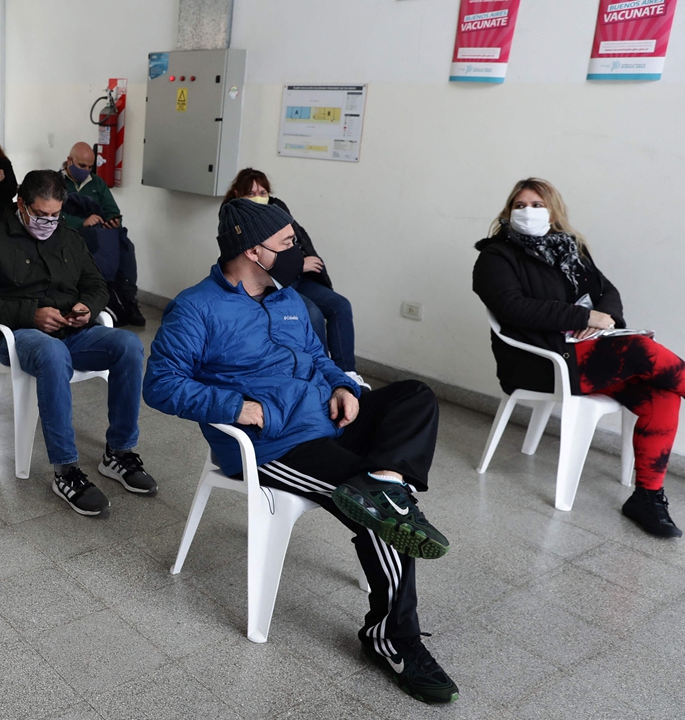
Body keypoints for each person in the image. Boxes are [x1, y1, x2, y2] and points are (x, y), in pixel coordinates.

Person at [144, 198, 457, 704]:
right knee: (374, 508)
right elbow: (159, 385)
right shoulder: (196, 307)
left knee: (414, 397)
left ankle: (390, 486)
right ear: (253, 250)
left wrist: (343, 387)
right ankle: (393, 638)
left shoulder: (287, 297)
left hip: (325, 417)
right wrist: (236, 407)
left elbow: (318, 357)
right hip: (272, 445)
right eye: (289, 244)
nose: (300, 252)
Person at [473, 178, 684, 538]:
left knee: (661, 394)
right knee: (642, 352)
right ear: (507, 212)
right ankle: (647, 497)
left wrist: (606, 318)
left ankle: (647, 497)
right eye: (519, 205)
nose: (528, 212)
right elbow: (512, 308)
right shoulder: (495, 257)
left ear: (554, 211)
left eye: (538, 205)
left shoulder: (571, 248)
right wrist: (583, 317)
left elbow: (608, 291)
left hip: (593, 353)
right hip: (544, 362)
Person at [0, 169, 157, 517]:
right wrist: (30, 314)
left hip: (74, 330)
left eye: (55, 215)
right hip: (20, 335)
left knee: (128, 346)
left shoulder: (69, 237)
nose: (49, 222)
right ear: (22, 205)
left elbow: (96, 284)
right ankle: (66, 470)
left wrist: (88, 308)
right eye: (41, 215)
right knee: (52, 353)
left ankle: (119, 452)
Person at [223, 168, 365, 385]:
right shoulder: (235, 223)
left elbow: (297, 244)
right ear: (237, 194)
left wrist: (302, 263)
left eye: (262, 192)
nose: (258, 197)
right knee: (313, 314)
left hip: (297, 278)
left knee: (340, 306)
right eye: (251, 193)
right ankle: (322, 376)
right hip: (274, 282)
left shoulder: (277, 211)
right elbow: (259, 267)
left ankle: (347, 374)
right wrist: (300, 264)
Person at [61, 142, 145, 326]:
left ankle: (127, 299)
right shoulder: (56, 182)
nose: (86, 170)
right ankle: (101, 293)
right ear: (69, 161)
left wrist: (113, 220)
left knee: (125, 245)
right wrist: (80, 222)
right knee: (96, 246)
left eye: (90, 167)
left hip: (97, 231)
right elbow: (52, 213)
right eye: (82, 166)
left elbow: (112, 209)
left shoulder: (97, 183)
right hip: (69, 231)